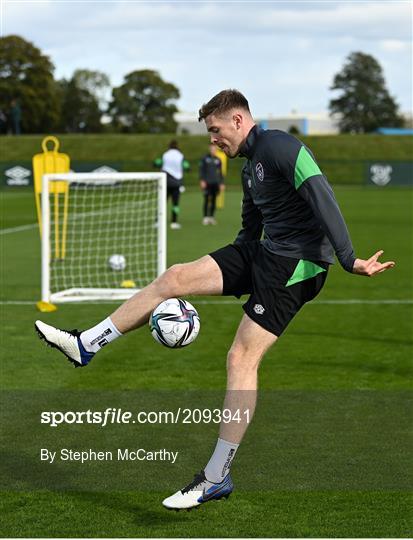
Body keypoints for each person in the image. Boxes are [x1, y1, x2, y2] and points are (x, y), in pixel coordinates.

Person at [35, 89, 395, 511]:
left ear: (239, 121)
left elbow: (321, 194)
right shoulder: (248, 169)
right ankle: (86, 346)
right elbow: (250, 229)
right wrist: (225, 269)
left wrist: (349, 258)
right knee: (174, 277)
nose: (213, 141)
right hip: (265, 254)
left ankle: (215, 477)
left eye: (215, 131)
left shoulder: (281, 146)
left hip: (299, 267)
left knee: (241, 359)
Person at [161, 140, 185, 229]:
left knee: (162, 203)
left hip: (165, 181)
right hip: (176, 183)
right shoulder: (180, 155)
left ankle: (158, 221)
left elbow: (159, 163)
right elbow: (185, 166)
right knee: (175, 204)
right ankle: (174, 222)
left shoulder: (165, 154)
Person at [199, 144, 224, 225]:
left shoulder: (218, 160)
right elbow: (201, 170)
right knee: (206, 199)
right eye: (212, 149)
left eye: (214, 149)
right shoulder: (205, 159)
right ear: (209, 149)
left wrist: (221, 183)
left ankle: (211, 217)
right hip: (207, 183)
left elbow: (220, 173)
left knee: (213, 200)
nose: (213, 151)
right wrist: (202, 180)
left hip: (215, 183)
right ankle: (205, 217)